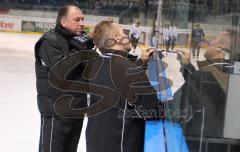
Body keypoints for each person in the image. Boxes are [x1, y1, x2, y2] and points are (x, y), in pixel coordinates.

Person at [86, 20, 161, 152]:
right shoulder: (129, 71)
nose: (127, 35)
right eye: (123, 32)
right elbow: (152, 110)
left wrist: (140, 64)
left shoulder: (96, 63)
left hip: (96, 142)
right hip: (120, 145)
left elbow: (119, 84)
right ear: (117, 38)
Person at [34, 5, 94, 152]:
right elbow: (61, 69)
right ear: (63, 22)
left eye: (83, 19)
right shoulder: (49, 41)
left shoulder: (79, 42)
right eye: (77, 20)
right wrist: (81, 45)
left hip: (76, 108)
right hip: (56, 110)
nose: (81, 23)